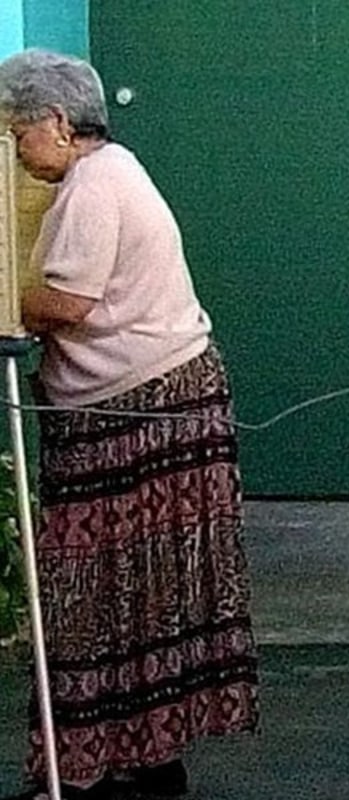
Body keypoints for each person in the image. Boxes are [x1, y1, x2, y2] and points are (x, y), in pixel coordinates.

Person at [0, 49, 258, 800]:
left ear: (56, 122)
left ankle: (85, 777)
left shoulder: (91, 187)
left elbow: (68, 303)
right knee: (143, 601)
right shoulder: (115, 170)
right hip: (157, 405)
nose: (15, 150)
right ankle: (144, 763)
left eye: (18, 132)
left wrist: (7, 296)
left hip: (139, 414)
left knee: (92, 600)